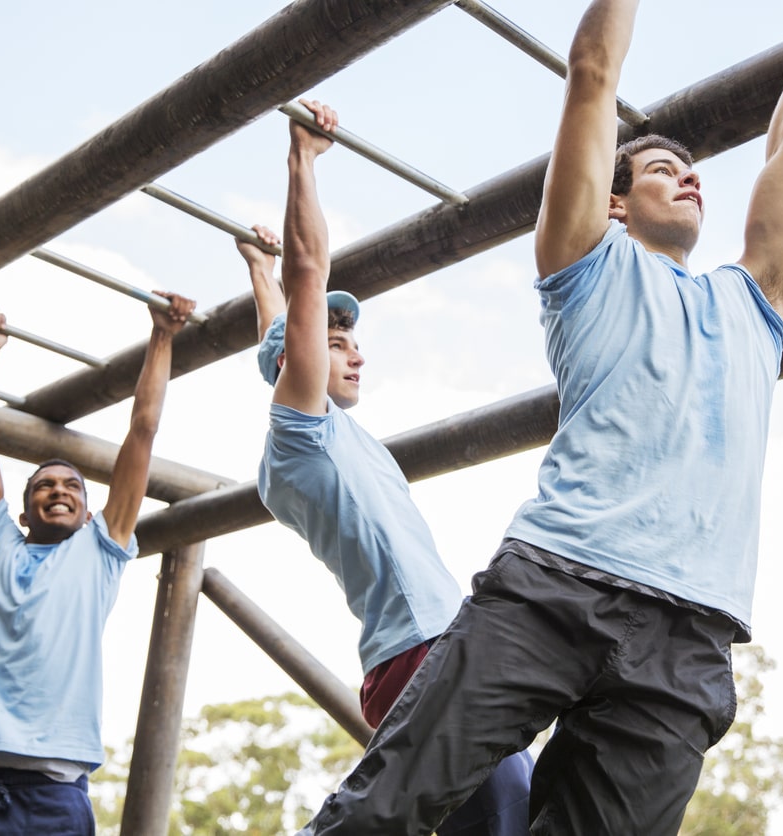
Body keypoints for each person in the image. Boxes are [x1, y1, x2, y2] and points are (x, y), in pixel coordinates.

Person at [295, 0, 783, 832]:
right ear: (616, 204)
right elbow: (593, 75)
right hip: (555, 585)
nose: (691, 175)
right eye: (665, 168)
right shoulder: (585, 263)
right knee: (384, 808)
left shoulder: (755, 301)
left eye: (693, 168)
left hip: (690, 637)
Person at [242, 99, 531, 835]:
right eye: (336, 342)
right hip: (425, 654)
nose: (357, 350)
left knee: (512, 817)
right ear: (298, 363)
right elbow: (308, 286)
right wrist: (301, 160)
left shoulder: (324, 433)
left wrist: (257, 270)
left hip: (432, 652)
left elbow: (282, 323)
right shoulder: (300, 434)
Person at [0, 291, 196, 835]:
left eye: (72, 486)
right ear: (25, 508)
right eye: (44, 485)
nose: (59, 491)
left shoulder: (99, 551)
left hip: (47, 797)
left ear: (87, 510)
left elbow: (143, 428)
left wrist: (162, 336)